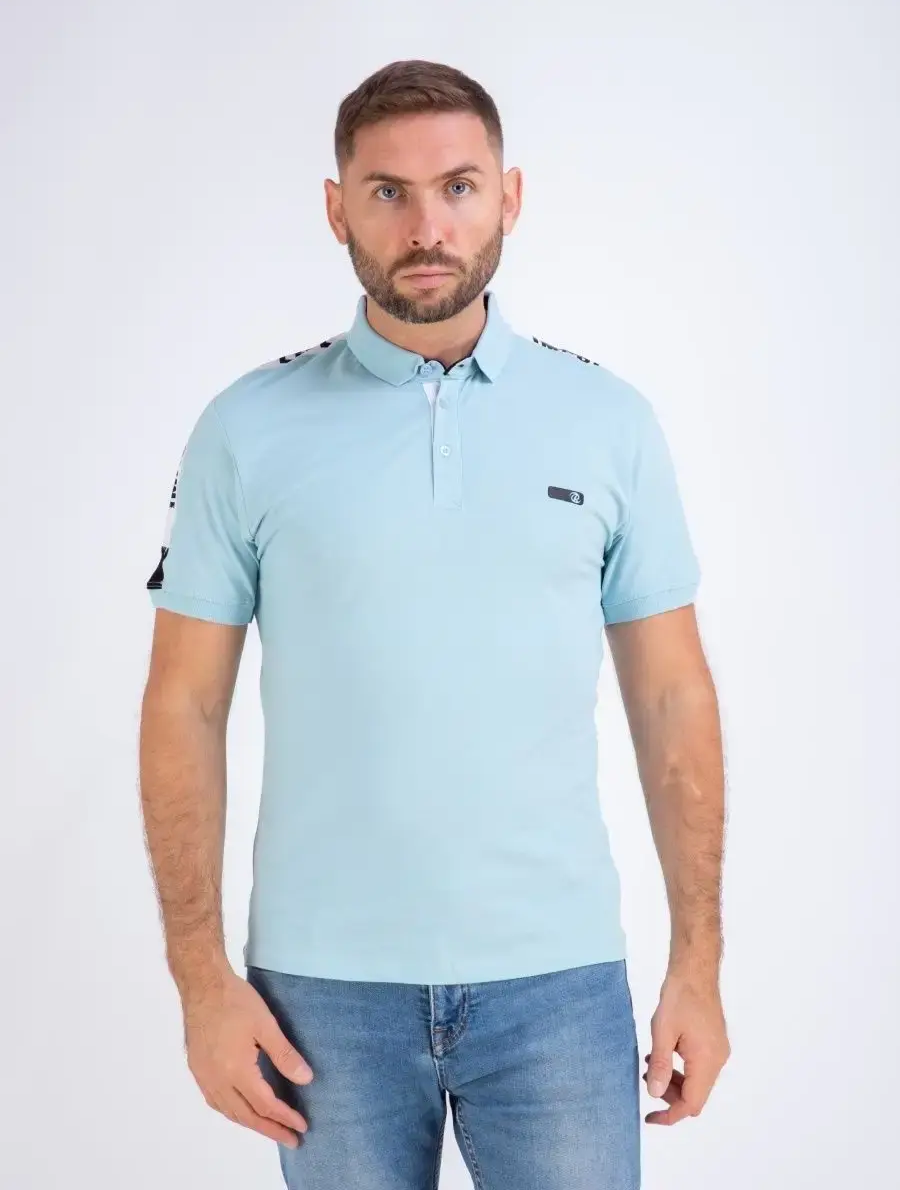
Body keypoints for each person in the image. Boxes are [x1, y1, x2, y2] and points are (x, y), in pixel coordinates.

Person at [139, 58, 729, 1190]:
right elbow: (183, 706)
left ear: (511, 197)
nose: (426, 227)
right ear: (336, 208)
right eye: (388, 192)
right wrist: (201, 981)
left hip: (559, 983)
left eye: (459, 187)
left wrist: (697, 964)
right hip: (320, 996)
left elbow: (672, 699)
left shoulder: (610, 424)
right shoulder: (246, 430)